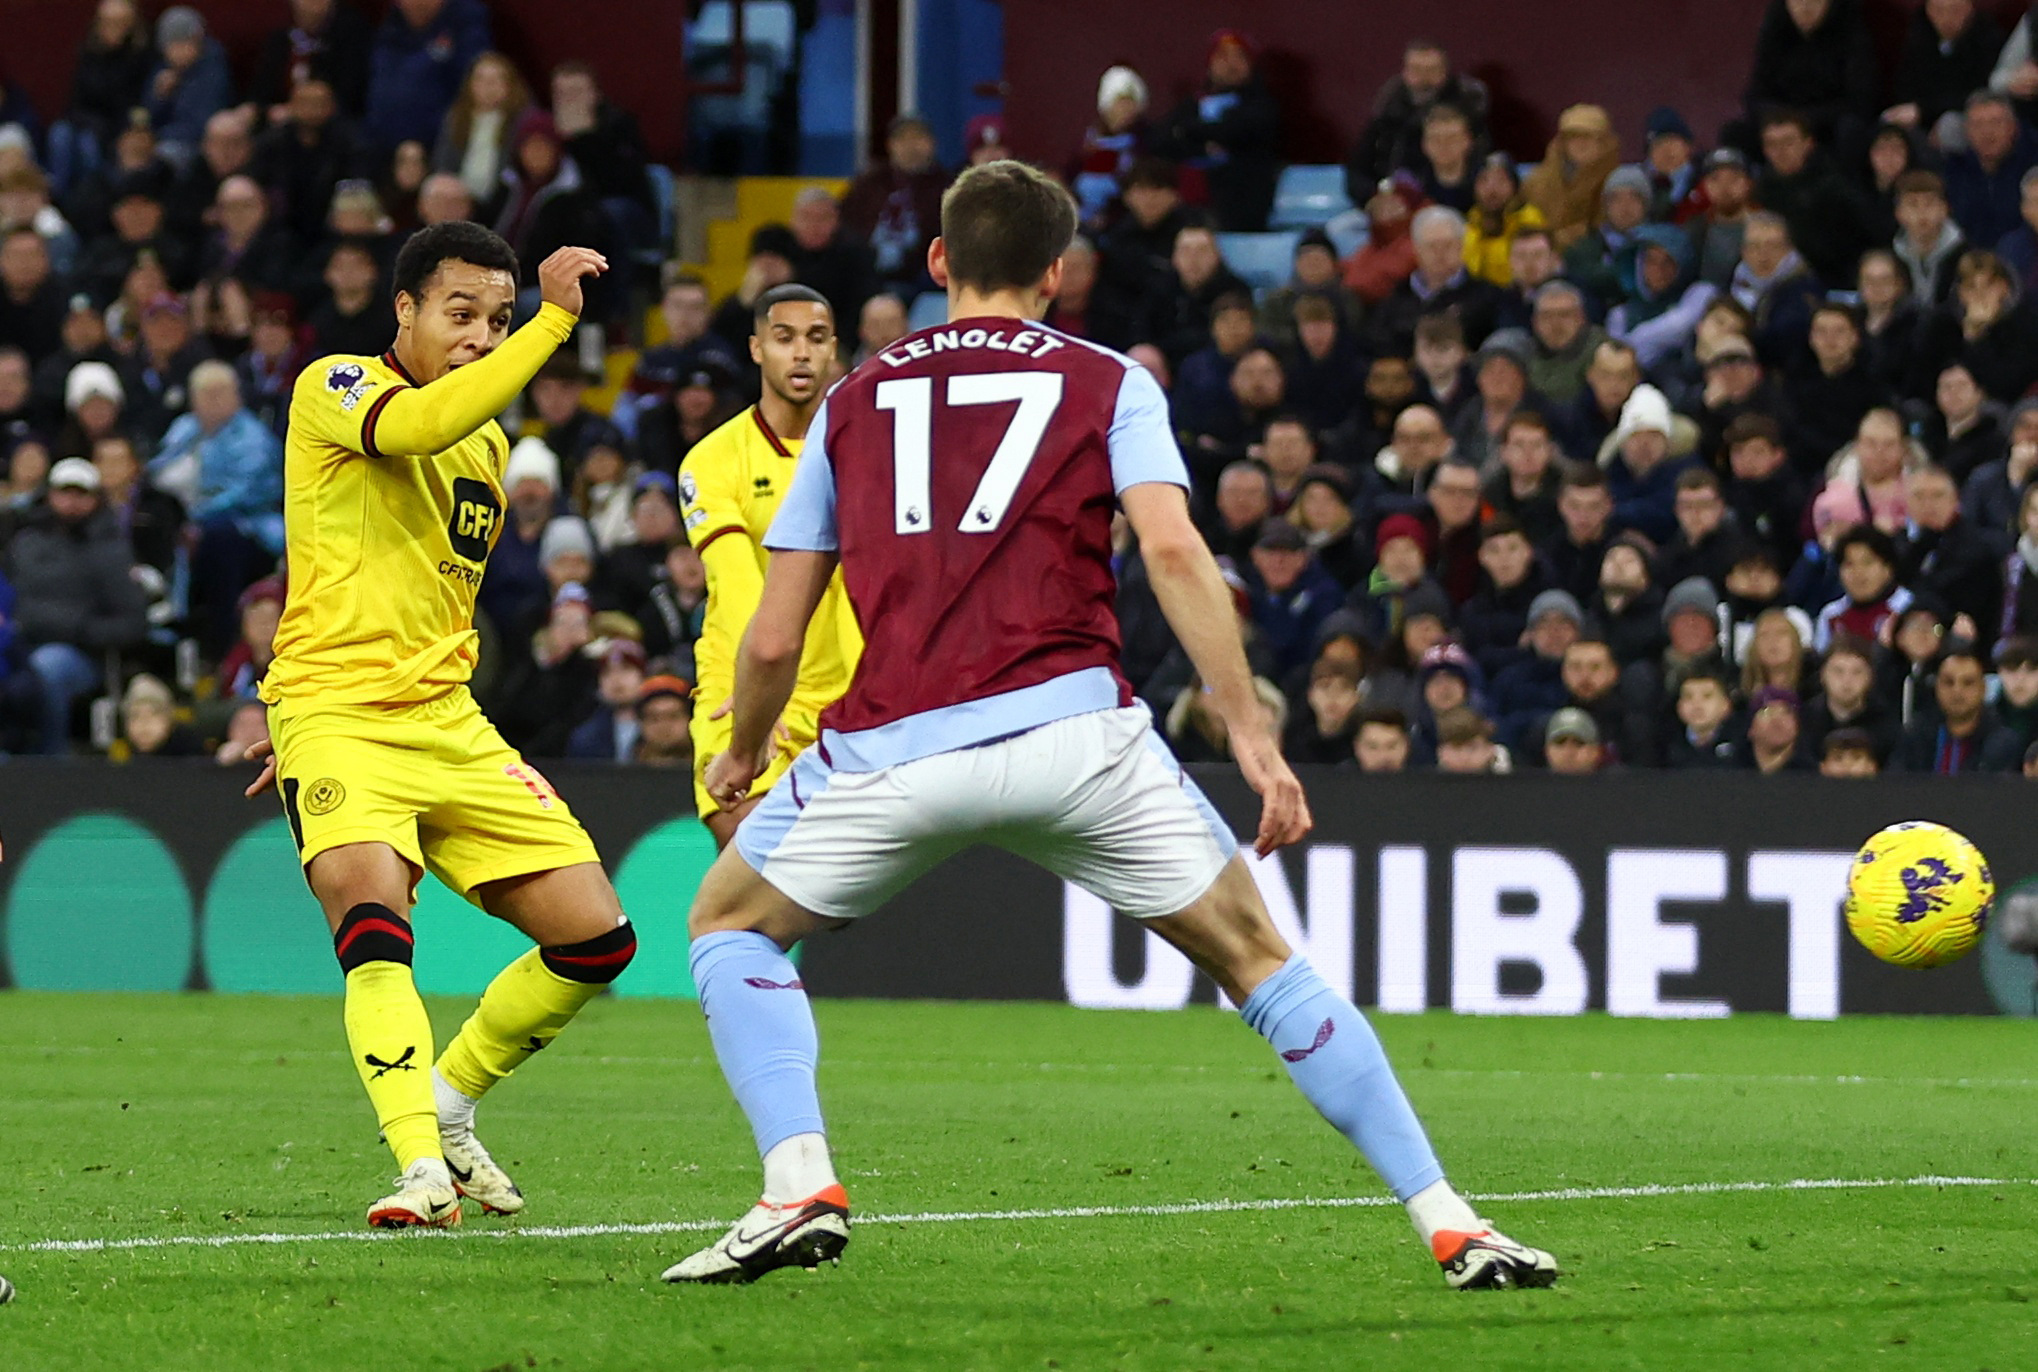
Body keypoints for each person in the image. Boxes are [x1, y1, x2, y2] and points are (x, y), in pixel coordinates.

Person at [662, 160, 1555, 1291]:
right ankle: (1449, 1218)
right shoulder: (1106, 380)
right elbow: (1176, 551)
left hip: (896, 744)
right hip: (1077, 737)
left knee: (729, 925)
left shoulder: (848, 399)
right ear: (1054, 272)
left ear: (939, 263)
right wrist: (1251, 735)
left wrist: (740, 751)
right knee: (1260, 961)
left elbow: (775, 636)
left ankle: (797, 1182)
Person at [236, 223, 633, 1231]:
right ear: (403, 309)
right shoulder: (333, 386)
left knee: (597, 939)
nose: (479, 336)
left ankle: (450, 1106)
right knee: (376, 931)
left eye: (496, 318)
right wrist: (547, 326)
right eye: (461, 314)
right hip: (338, 715)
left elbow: (418, 597)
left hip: (448, 721)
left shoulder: (490, 441)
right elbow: (410, 431)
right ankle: (418, 1166)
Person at [677, 284, 861, 849]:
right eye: (784, 339)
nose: (801, 353)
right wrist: (758, 693)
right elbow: (734, 584)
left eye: (815, 339)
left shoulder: (865, 454)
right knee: (747, 845)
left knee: (830, 890)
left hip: (850, 689)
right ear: (757, 349)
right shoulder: (713, 459)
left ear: (834, 351)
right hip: (745, 676)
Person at [6, 456, 149, 753]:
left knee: (48, 667)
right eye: (63, 492)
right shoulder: (25, 542)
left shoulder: (111, 550)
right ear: (49, 494)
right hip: (17, 642)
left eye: (81, 493)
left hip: (83, 654)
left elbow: (134, 623)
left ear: (96, 498)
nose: (71, 501)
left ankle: (50, 762)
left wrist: (79, 629)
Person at [149, 360, 286, 652]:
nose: (212, 400)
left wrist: (198, 516)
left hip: (251, 524)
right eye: (204, 393)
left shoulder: (252, 436)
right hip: (190, 521)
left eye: (220, 392)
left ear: (236, 395)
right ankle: (169, 623)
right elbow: (158, 468)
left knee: (218, 539)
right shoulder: (184, 428)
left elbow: (249, 491)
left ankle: (225, 641)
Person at [1155, 30, 1280, 232]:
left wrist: (1192, 132)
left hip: (1240, 208)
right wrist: (1203, 142)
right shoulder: (1193, 103)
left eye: (1239, 57)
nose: (1231, 64)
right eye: (1223, 57)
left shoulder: (1261, 105)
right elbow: (1162, 139)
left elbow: (1239, 131)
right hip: (1186, 206)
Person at [1349, 39, 1490, 192]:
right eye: (1416, 70)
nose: (1424, 79)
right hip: (1389, 198)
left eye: (1431, 70)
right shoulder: (1387, 113)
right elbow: (1359, 168)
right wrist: (1373, 200)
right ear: (1405, 72)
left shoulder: (1468, 115)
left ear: (1445, 73)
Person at [364, 0, 491, 154]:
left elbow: (474, 89)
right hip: (381, 148)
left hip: (438, 151)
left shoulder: (466, 24)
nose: (417, 3)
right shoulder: (391, 26)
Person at [841, 113, 949, 293]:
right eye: (903, 139)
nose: (911, 146)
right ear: (890, 145)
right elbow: (845, 226)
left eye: (918, 138)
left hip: (920, 280)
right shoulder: (869, 182)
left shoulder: (946, 186)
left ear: (932, 143)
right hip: (865, 275)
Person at [431, 51, 528, 226]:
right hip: (459, 202)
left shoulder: (521, 123)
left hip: (499, 203)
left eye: (496, 80)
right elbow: (443, 164)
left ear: (509, 85)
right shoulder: (456, 118)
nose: (488, 87)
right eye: (481, 80)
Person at [1893, 641, 2015, 771]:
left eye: (1968, 683)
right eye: (1948, 682)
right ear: (1936, 687)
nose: (1957, 691)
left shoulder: (2004, 743)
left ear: (1983, 689)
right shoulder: (1915, 735)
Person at [1944, 92, 2038, 253]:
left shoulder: (2032, 163)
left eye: (1996, 122)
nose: (1987, 132)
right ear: (1967, 131)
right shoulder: (1954, 169)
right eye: (1978, 124)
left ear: (2013, 127)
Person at [1519, 105, 1620, 253]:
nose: (1580, 143)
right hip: (1540, 258)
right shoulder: (1536, 182)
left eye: (1587, 136)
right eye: (1573, 136)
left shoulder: (1618, 182)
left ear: (1604, 142)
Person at [631, 672, 693, 765]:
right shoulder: (625, 772)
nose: (664, 726)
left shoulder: (710, 772)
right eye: (654, 719)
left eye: (673, 716)